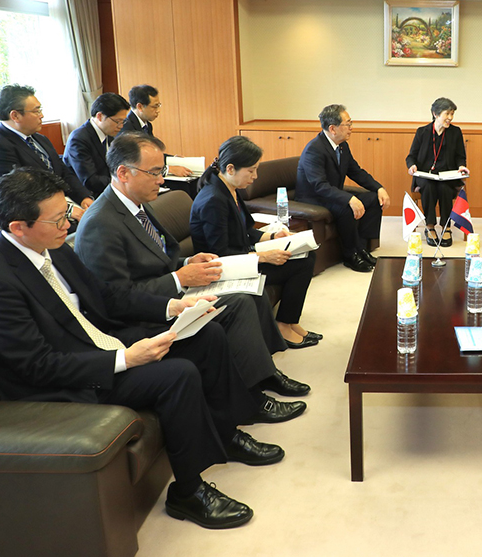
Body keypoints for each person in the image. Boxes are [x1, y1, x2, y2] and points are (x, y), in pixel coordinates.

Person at [0, 167, 286, 529]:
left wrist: (172, 307)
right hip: (64, 381)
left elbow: (106, 296)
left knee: (206, 336)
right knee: (177, 374)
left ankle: (227, 435)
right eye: (57, 220)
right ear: (18, 227)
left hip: (98, 345)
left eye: (66, 213)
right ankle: (188, 493)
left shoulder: (52, 247)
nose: (68, 224)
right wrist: (125, 359)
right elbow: (37, 366)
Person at [74, 132, 310, 410]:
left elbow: (159, 259)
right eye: (154, 173)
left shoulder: (136, 205)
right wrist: (178, 279)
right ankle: (254, 401)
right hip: (145, 314)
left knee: (252, 295)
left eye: (162, 171)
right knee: (240, 304)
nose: (162, 180)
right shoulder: (100, 223)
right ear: (124, 172)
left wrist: (187, 263)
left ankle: (264, 375)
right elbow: (116, 299)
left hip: (169, 294)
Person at [190, 135, 321, 348]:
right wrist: (263, 257)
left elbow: (247, 230)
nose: (255, 176)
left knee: (305, 256)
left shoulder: (229, 189)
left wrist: (273, 237)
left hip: (241, 257)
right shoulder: (213, 199)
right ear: (230, 168)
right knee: (301, 265)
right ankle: (283, 325)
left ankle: (289, 322)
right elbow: (221, 253)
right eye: (251, 171)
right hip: (223, 269)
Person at [296, 104, 391, 272]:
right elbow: (319, 186)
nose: (351, 128)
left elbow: (356, 172)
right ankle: (350, 255)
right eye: (348, 124)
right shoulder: (314, 150)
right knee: (346, 207)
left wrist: (379, 188)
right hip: (313, 198)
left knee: (373, 199)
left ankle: (362, 248)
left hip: (331, 194)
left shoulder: (342, 145)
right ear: (333, 128)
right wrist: (349, 198)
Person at [0, 84, 93, 220]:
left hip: (55, 203)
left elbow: (63, 173)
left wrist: (83, 197)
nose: (41, 115)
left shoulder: (40, 139)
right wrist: (67, 210)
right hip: (23, 212)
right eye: (36, 111)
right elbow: (19, 192)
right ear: (15, 115)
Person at [406, 97, 469, 247]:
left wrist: (461, 166)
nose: (450, 118)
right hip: (425, 174)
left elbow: (460, 156)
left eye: (452, 114)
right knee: (429, 187)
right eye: (447, 114)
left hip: (447, 175)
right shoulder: (422, 132)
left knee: (444, 188)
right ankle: (430, 226)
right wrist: (412, 166)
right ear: (435, 114)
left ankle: (446, 227)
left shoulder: (455, 132)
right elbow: (411, 156)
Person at [121, 84, 194, 179]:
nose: (158, 110)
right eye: (154, 107)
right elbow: (136, 159)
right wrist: (168, 169)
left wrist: (172, 159)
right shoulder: (126, 127)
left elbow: (151, 153)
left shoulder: (147, 125)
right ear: (140, 107)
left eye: (159, 105)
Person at [63, 92, 127, 197]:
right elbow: (91, 181)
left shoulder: (110, 135)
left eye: (123, 121)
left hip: (108, 189)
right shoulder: (79, 139)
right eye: (117, 121)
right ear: (99, 116)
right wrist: (123, 181)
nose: (121, 126)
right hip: (88, 196)